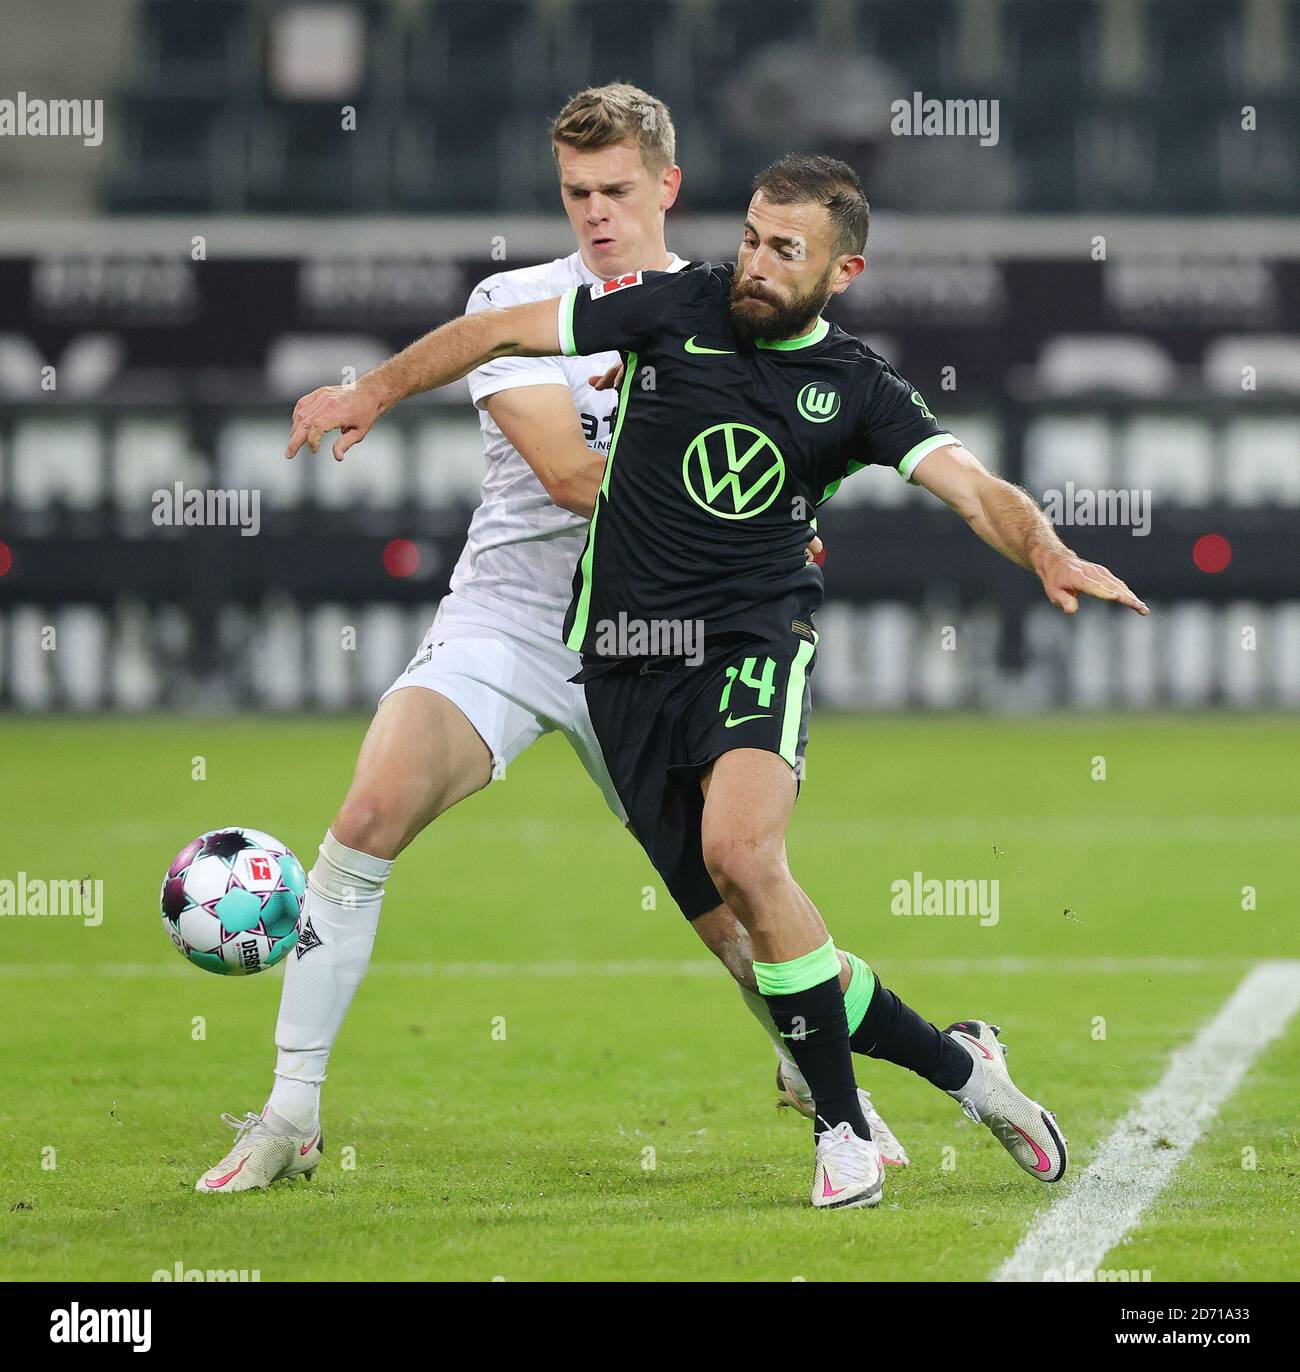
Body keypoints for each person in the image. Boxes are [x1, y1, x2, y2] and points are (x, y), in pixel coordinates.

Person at [278, 153, 1149, 1209]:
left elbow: (970, 486)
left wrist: (1047, 551)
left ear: (842, 271)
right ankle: (967, 1069)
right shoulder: (671, 308)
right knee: (753, 927)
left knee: (743, 852)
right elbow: (498, 333)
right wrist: (371, 389)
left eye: (786, 250)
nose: (754, 263)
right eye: (749, 236)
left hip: (749, 642)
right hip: (623, 664)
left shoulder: (859, 387)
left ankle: (841, 1134)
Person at [195, 89, 905, 1195]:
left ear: (666, 187)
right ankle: (290, 1112)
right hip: (516, 622)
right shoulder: (517, 301)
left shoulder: (726, 310)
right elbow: (573, 478)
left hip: (667, 644)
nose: (595, 214)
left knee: (733, 910)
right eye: (576, 193)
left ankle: (837, 1091)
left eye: (617, 190)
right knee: (367, 813)